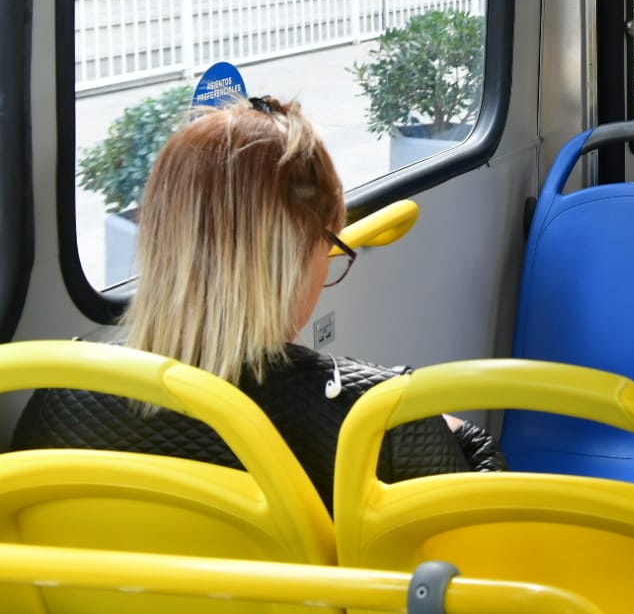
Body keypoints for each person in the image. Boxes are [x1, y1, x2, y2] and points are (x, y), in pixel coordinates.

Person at [13, 96, 504, 511]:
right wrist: (453, 431)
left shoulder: (59, 401)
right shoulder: (382, 419)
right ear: (295, 255)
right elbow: (483, 534)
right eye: (329, 243)